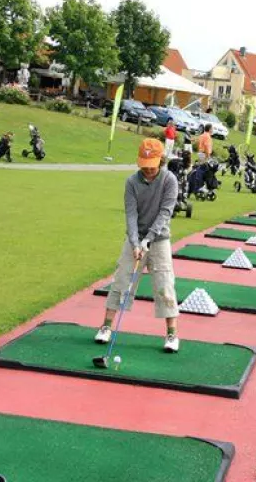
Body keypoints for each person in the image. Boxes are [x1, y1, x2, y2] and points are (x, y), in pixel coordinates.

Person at [95, 138, 180, 353]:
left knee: (164, 284)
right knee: (122, 280)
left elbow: (165, 213)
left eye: (152, 166)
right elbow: (131, 214)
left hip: (159, 239)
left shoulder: (169, 180)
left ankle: (171, 334)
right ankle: (106, 327)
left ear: (161, 160)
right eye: (144, 166)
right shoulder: (132, 182)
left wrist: (148, 239)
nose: (148, 171)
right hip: (135, 238)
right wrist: (135, 241)